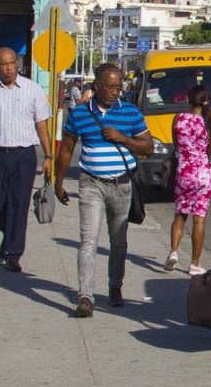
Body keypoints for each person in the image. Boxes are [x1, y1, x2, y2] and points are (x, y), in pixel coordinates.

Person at [54, 63, 153, 317]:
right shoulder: (79, 114)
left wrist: (123, 138)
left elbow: (148, 147)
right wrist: (58, 181)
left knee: (118, 241)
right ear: (96, 86)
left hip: (121, 185)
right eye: (110, 86)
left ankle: (114, 286)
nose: (115, 91)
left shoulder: (130, 112)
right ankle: (85, 295)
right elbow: (66, 149)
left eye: (119, 86)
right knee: (88, 240)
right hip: (91, 185)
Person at [0, 48, 52, 272]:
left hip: (24, 156)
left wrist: (48, 155)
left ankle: (14, 253)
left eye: (11, 63)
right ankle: (10, 235)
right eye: (3, 64)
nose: (8, 68)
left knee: (19, 204)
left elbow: (42, 124)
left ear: (18, 64)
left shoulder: (32, 90)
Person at [165, 85, 211, 276]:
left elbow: (176, 147)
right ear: (206, 102)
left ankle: (173, 251)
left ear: (188, 100)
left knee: (180, 215)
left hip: (184, 172)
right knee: (199, 220)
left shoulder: (178, 119)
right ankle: (194, 264)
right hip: (204, 174)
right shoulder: (210, 124)